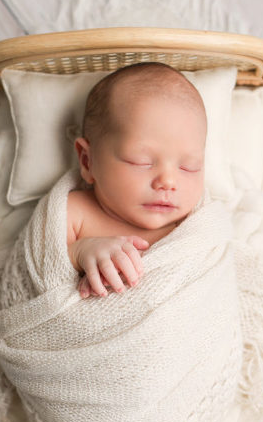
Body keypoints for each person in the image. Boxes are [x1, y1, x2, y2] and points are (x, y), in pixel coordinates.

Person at [67, 62, 207, 298]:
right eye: (141, 161)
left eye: (188, 167)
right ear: (87, 161)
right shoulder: (76, 212)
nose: (168, 181)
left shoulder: (195, 224)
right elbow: (40, 264)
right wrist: (81, 252)